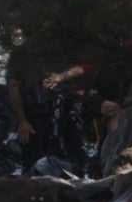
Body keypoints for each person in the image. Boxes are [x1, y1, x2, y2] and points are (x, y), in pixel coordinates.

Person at [6, 43, 90, 176]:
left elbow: (83, 72)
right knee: (34, 159)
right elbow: (13, 89)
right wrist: (22, 120)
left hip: (60, 112)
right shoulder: (23, 53)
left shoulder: (63, 46)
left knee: (66, 155)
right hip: (34, 114)